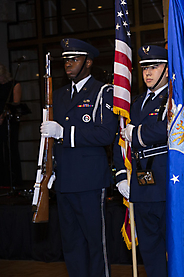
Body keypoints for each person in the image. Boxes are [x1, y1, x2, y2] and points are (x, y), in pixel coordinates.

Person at [40, 38, 118, 277]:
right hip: (64, 181)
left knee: (96, 244)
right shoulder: (59, 95)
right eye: (66, 60)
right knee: (72, 245)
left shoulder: (102, 91)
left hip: (90, 181)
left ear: (88, 63)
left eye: (74, 59)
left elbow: (105, 134)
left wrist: (64, 133)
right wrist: (49, 169)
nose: (68, 64)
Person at [115, 45, 169, 277]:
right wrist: (119, 174)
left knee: (173, 245)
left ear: (167, 70)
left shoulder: (174, 99)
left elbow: (168, 128)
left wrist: (137, 133)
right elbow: (119, 137)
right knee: (149, 247)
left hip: (167, 180)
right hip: (140, 181)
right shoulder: (134, 103)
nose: (148, 73)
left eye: (154, 67)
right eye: (145, 67)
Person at [0, 64, 23, 187]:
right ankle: (2, 180)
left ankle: (14, 181)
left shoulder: (14, 84)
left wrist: (4, 115)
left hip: (10, 121)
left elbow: (16, 104)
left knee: (11, 149)